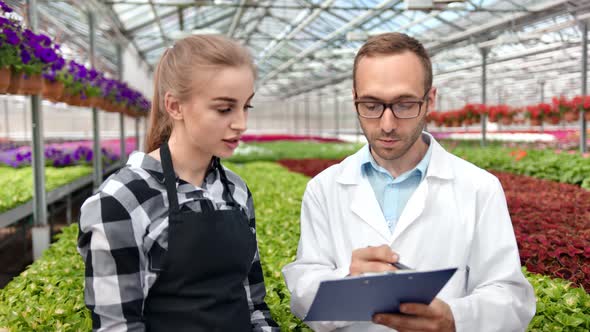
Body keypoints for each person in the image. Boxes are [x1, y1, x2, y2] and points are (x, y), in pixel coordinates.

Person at [282, 32, 536, 332]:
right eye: (372, 105)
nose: (387, 125)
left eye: (404, 105)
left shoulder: (480, 188)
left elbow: (512, 299)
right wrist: (347, 282)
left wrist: (455, 319)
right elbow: (302, 296)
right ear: (355, 99)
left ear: (430, 100)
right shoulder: (324, 189)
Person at [78, 35, 279, 332]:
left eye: (245, 106)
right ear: (174, 106)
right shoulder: (122, 201)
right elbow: (117, 326)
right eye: (224, 109)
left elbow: (253, 304)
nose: (241, 123)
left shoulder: (235, 191)